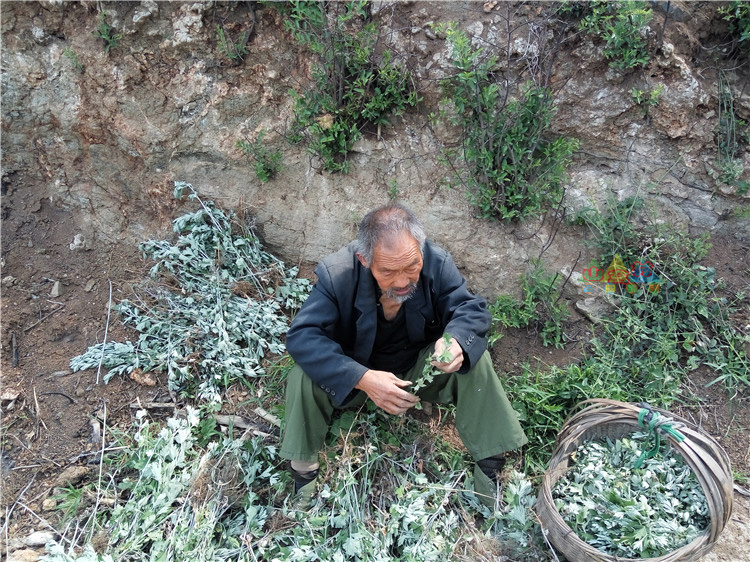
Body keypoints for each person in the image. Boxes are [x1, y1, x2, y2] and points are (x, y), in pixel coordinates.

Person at [280, 203, 527, 509]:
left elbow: (469, 308)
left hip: (418, 371)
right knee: (303, 376)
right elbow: (303, 336)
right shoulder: (338, 275)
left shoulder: (436, 262)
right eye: (387, 271)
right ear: (364, 260)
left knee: (475, 360)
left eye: (411, 266)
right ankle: (304, 476)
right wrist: (364, 379)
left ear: (421, 251)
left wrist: (454, 342)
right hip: (357, 378)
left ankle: (491, 471)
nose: (402, 281)